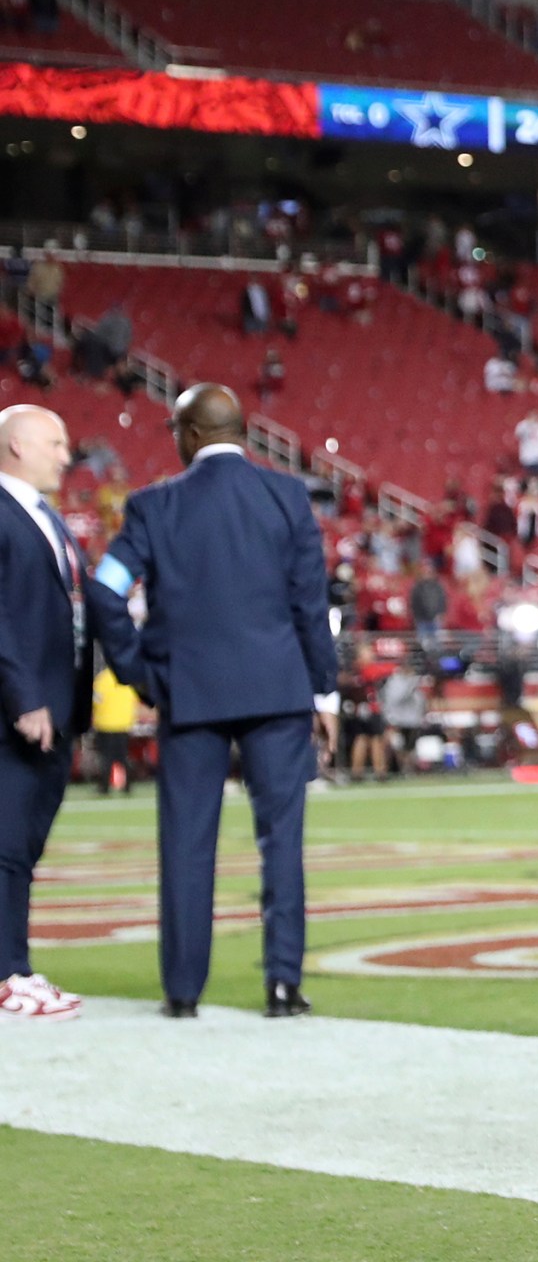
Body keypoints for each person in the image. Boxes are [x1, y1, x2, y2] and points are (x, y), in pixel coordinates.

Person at [86, 385, 337, 1021]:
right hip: (278, 692)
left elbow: (105, 592)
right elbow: (312, 606)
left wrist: (141, 673)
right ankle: (282, 985)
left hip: (188, 694)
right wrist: (324, 692)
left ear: (191, 434)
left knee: (187, 843)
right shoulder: (286, 497)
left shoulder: (153, 505)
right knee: (282, 840)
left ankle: (183, 990)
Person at [0, 405, 92, 1021]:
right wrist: (22, 696)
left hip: (55, 712)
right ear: (13, 445)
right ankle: (8, 972)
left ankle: (15, 966)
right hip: (19, 714)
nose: (66, 454)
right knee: (6, 847)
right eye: (54, 442)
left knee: (22, 850)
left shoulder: (44, 516)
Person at [92, 663, 139, 796]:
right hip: (123, 724)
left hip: (105, 724)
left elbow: (96, 700)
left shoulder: (102, 679)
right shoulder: (128, 678)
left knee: (106, 757)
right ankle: (128, 786)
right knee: (123, 757)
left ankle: (104, 787)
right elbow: (135, 699)